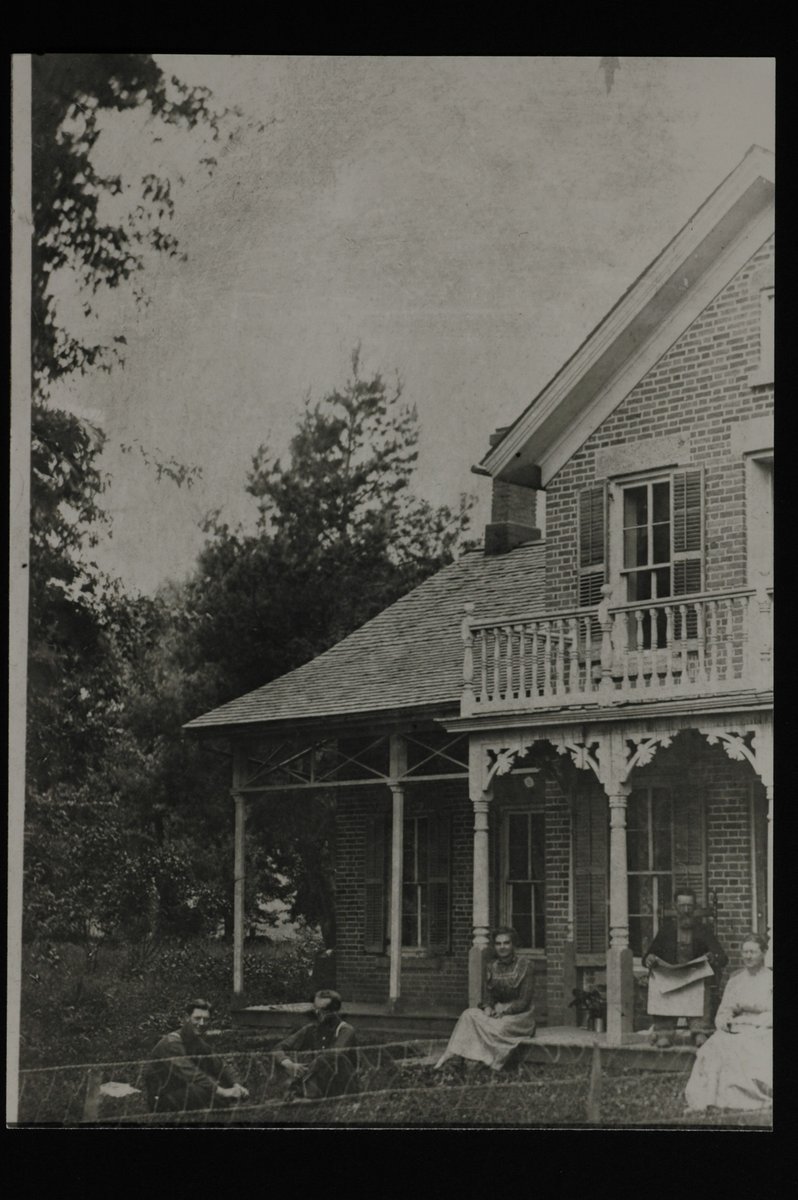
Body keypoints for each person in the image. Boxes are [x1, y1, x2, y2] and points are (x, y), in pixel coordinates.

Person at [684, 933, 772, 1111]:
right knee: (713, 1046)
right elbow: (725, 1009)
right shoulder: (736, 981)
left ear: (764, 953)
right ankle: (710, 1099)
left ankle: (740, 1099)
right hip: (736, 1027)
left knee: (744, 1048)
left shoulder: (771, 980)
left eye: (753, 952)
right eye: (745, 952)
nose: (748, 956)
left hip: (763, 1027)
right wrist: (724, 1020)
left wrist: (760, 1023)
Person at [435, 927, 536, 1073]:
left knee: (499, 1027)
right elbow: (488, 995)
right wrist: (488, 1007)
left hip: (519, 1016)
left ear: (513, 945)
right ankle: (456, 1057)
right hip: (497, 1011)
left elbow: (524, 1001)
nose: (502, 947)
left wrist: (505, 1011)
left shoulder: (526, 966)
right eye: (498, 944)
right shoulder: (491, 967)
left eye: (506, 943)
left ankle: (487, 1062)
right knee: (469, 1015)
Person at [643, 889, 728, 1048]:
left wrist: (712, 956)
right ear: (675, 907)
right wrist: (649, 959)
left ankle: (700, 1031)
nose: (686, 910)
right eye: (682, 906)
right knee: (661, 982)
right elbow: (650, 954)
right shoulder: (666, 930)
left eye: (690, 906)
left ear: (694, 907)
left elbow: (722, 957)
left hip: (695, 978)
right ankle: (664, 1032)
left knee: (703, 984)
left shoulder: (704, 930)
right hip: (672, 978)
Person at [144, 998, 249, 1113]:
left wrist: (237, 1084)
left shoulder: (197, 1042)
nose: (202, 1024)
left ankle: (223, 1101)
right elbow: (191, 1073)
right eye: (197, 1018)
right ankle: (224, 1103)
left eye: (206, 1019)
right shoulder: (172, 1043)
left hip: (184, 1090)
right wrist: (223, 1091)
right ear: (187, 1018)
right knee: (206, 1089)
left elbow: (221, 1065)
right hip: (161, 1098)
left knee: (216, 1085)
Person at [274, 989, 359, 1100]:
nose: (318, 1014)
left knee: (329, 1058)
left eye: (323, 1010)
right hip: (319, 1079)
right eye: (315, 1009)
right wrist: (288, 1064)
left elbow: (334, 1055)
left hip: (343, 1085)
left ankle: (300, 1092)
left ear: (335, 1010)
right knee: (283, 1063)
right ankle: (301, 1093)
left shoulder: (345, 1030)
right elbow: (279, 1047)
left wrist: (307, 1070)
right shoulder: (312, 1029)